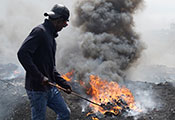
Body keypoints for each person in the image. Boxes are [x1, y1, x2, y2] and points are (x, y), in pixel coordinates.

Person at [17, 4, 72, 120]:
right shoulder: (40, 32)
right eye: (65, 23)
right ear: (59, 20)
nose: (64, 26)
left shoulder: (50, 37)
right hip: (37, 89)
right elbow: (22, 54)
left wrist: (63, 83)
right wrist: (40, 77)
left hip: (51, 88)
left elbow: (50, 67)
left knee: (65, 113)